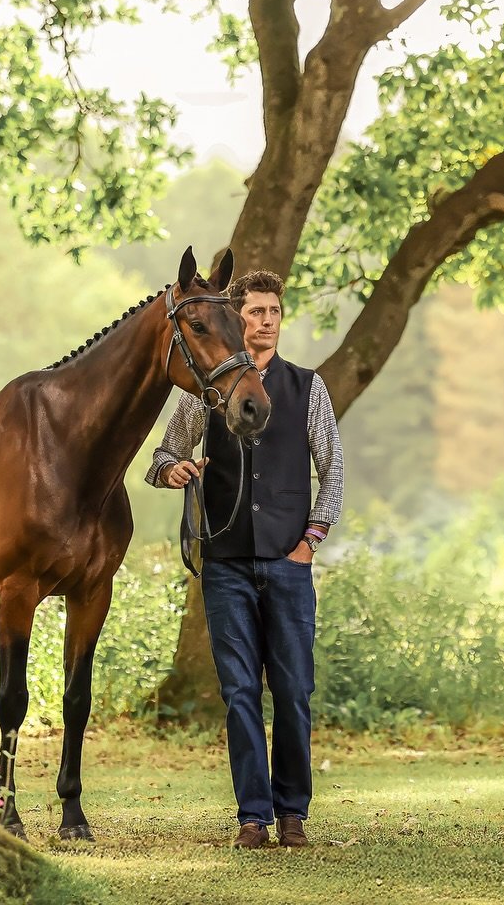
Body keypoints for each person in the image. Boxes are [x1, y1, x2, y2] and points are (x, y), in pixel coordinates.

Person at [147, 268, 344, 850]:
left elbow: (333, 468)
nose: (265, 321)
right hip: (226, 562)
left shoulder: (309, 387)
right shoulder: (204, 389)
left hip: (289, 561)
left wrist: (311, 539)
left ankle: (293, 813)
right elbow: (162, 455)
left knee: (293, 691)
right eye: (254, 312)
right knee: (238, 694)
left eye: (273, 312)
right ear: (238, 318)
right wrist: (174, 470)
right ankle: (252, 817)